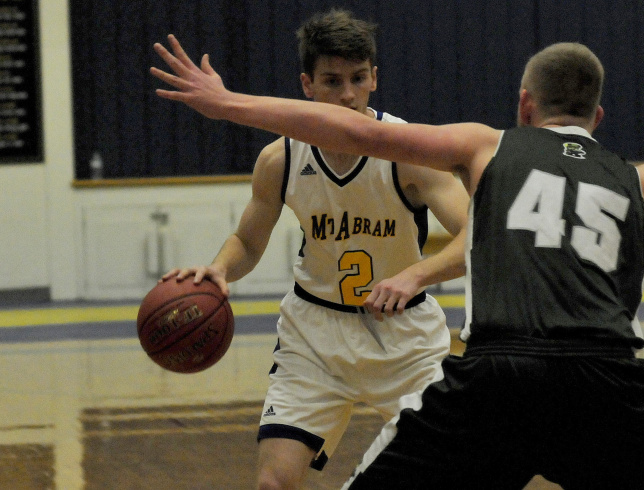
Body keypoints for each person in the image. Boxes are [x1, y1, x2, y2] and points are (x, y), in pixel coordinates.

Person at [151, 36, 644, 489]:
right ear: (600, 116)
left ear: (524, 107)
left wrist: (228, 104)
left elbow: (358, 131)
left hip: (499, 377)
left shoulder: (484, 146)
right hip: (605, 388)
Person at [157, 10, 469, 489]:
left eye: (358, 78)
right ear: (307, 85)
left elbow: (480, 235)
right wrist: (220, 268)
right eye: (332, 80)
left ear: (374, 79)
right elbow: (247, 240)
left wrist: (417, 275)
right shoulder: (279, 159)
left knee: (442, 471)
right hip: (314, 335)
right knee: (273, 484)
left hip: (405, 336)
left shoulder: (410, 152)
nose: (346, 94)